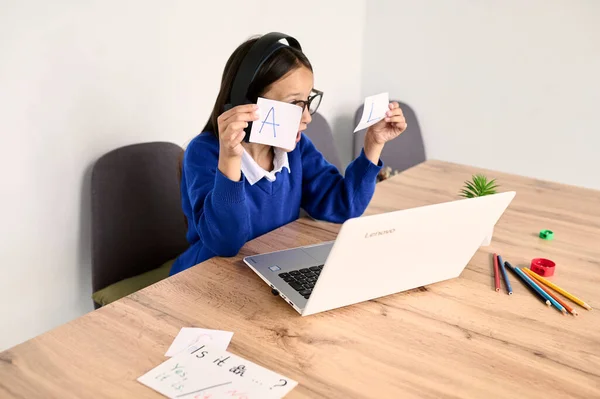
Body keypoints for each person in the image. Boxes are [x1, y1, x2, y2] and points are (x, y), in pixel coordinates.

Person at [170, 34, 407, 275]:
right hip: (207, 278)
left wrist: (373, 144)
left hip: (270, 270)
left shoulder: (295, 149)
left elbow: (344, 205)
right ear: (246, 103)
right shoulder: (204, 153)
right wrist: (231, 158)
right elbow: (226, 243)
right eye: (294, 104)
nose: (307, 118)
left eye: (307, 101)